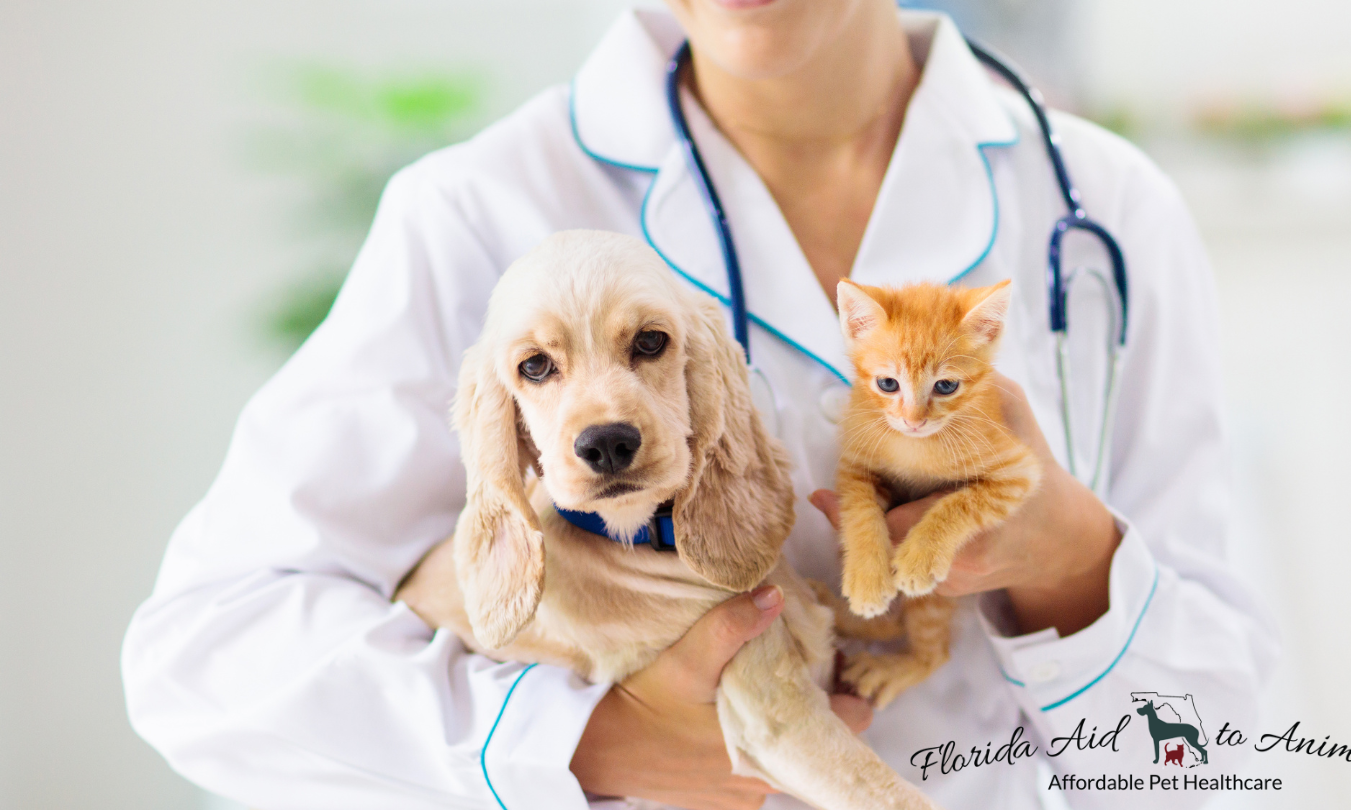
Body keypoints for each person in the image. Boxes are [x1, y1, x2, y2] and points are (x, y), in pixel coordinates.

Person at [122, 1, 1278, 808]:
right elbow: (204, 664)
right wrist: (585, 744)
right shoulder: (477, 214)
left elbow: (1217, 763)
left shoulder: (1105, 209)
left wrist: (1071, 557)